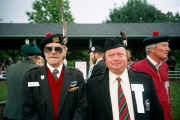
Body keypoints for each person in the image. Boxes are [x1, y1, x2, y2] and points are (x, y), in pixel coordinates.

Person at [87, 38, 164, 120]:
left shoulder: (145, 80)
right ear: (105, 60)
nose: (116, 58)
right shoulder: (93, 85)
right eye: (111, 55)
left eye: (120, 54)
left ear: (127, 57)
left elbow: (156, 112)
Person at [22, 33, 87, 120]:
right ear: (44, 53)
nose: (53, 52)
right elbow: (28, 109)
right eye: (48, 49)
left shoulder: (76, 76)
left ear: (64, 52)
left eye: (58, 49)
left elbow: (82, 107)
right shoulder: (31, 76)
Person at [131, 35, 172, 120]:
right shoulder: (137, 68)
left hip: (166, 114)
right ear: (151, 49)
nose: (168, 49)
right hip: (150, 115)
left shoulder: (164, 66)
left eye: (167, 46)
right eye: (164, 45)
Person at [3, 43, 41, 120]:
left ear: (23, 55)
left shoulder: (10, 68)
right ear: (36, 56)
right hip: (28, 115)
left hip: (9, 113)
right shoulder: (37, 71)